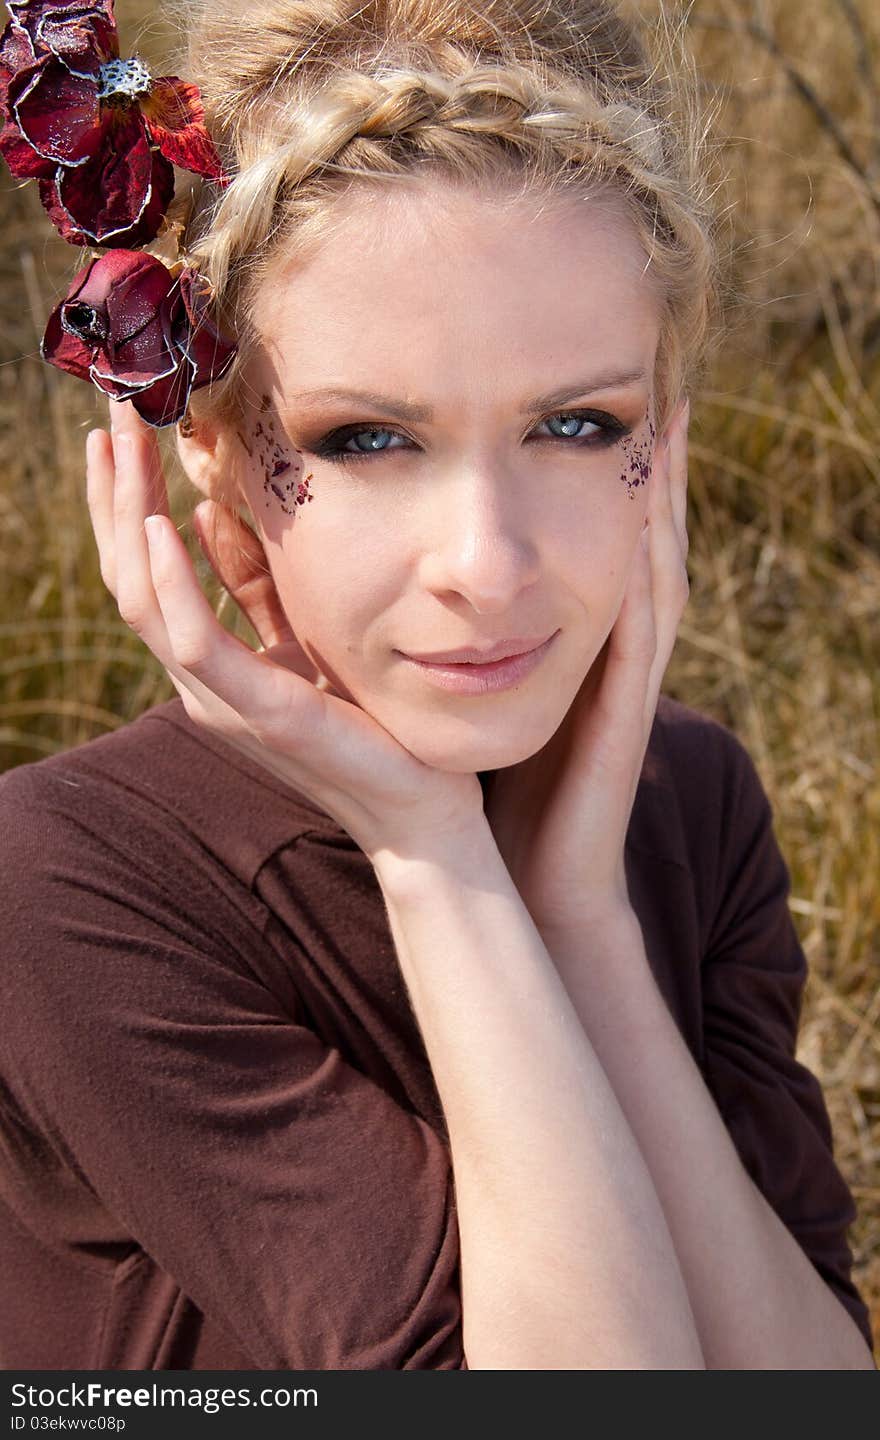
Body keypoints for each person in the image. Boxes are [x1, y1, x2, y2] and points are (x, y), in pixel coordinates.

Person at [0, 0, 874, 1370]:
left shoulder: (686, 799)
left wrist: (582, 917)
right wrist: (436, 860)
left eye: (579, 425)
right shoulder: (60, 883)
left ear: (673, 447)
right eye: (366, 439)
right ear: (213, 458)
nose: (487, 563)